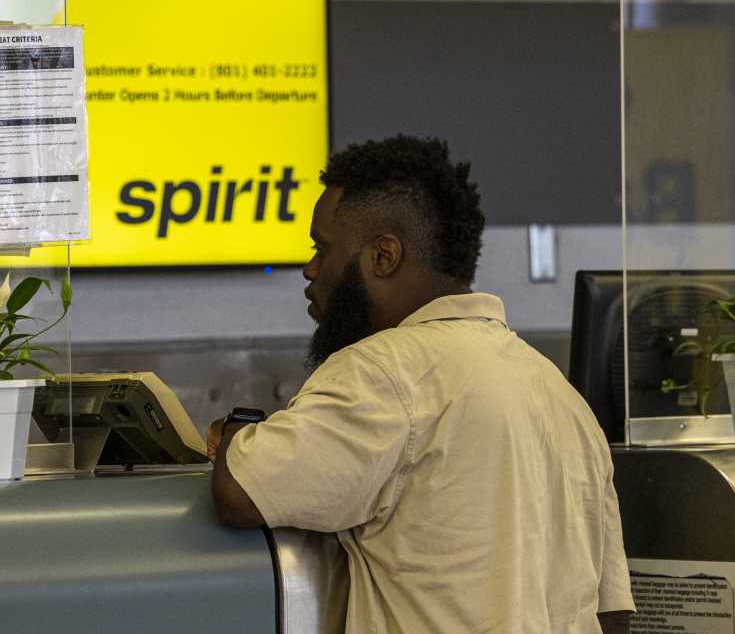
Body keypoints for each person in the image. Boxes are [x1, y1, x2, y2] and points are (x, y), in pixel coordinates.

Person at [208, 135, 633, 634]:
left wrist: (234, 432)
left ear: (384, 256)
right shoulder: (560, 394)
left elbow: (241, 493)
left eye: (321, 249)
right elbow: (611, 613)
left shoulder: (385, 369)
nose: (310, 269)